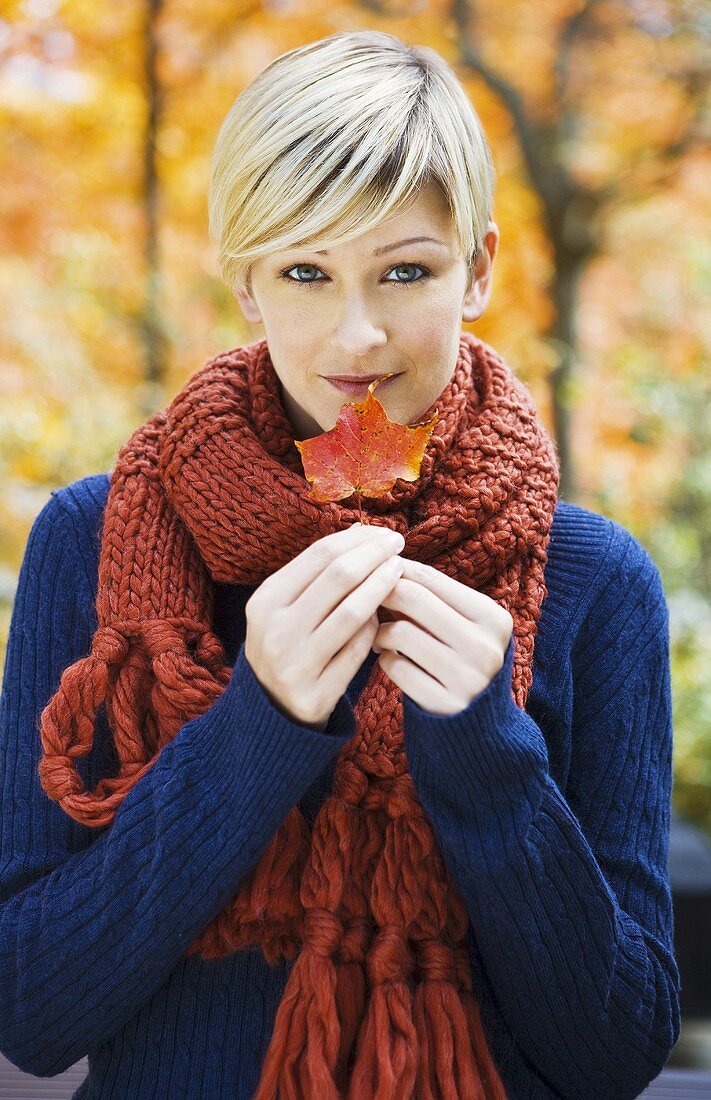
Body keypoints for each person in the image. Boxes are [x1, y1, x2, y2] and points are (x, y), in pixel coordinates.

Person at [0, 28, 680, 1100]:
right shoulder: (94, 538)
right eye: (307, 271)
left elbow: (620, 1049)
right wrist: (257, 723)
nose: (356, 335)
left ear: (480, 270)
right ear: (248, 288)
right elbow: (32, 1009)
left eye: (404, 269)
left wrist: (486, 749)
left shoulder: (594, 575)